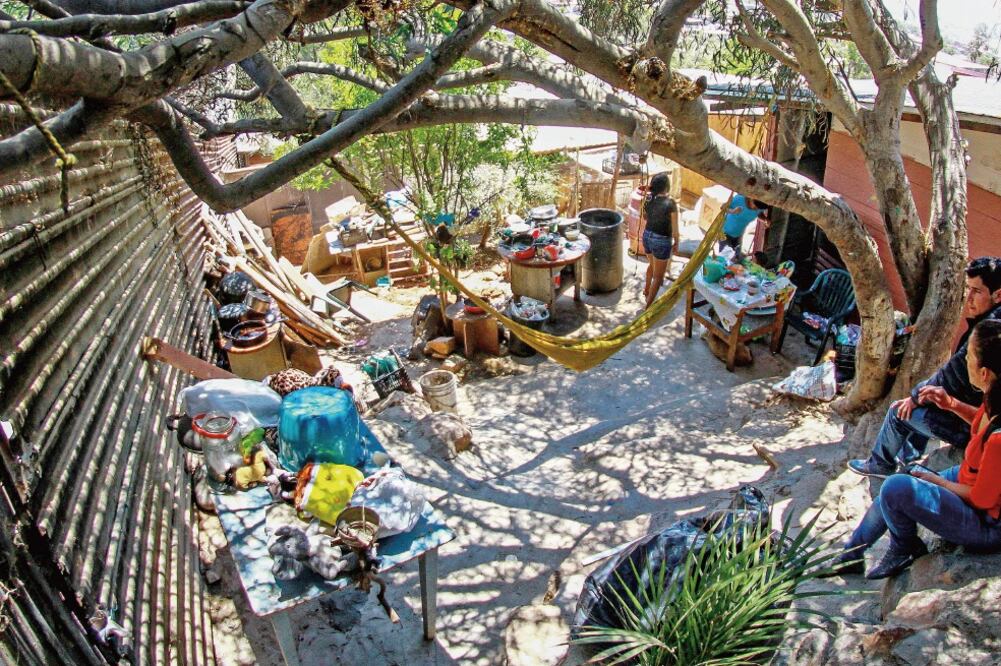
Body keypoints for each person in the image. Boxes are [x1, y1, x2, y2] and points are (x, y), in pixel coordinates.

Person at [833, 319, 1001, 579]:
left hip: (987, 524)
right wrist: (951, 404)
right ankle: (850, 556)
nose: (964, 359)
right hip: (970, 478)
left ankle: (905, 546)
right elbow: (981, 426)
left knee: (895, 487)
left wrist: (936, 481)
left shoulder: (999, 439)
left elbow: (982, 499)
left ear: (984, 373)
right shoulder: (994, 398)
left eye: (969, 355)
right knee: (899, 484)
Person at [849, 257, 1001, 478]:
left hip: (975, 427)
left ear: (998, 294)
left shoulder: (986, 334)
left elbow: (950, 375)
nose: (968, 298)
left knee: (898, 411)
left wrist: (914, 397)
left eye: (977, 291)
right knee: (926, 400)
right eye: (968, 289)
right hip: (978, 417)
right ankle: (908, 457)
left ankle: (879, 465)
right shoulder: (992, 322)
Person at [642, 172, 680, 309]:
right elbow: (675, 228)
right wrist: (677, 242)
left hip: (647, 236)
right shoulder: (671, 203)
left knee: (652, 266)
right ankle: (648, 308)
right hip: (662, 240)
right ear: (667, 187)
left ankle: (646, 290)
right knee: (658, 276)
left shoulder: (649, 200)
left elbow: (645, 217)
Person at [721, 194, 767, 261]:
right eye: (755, 207)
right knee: (724, 258)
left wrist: (765, 220)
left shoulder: (759, 206)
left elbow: (758, 214)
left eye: (758, 209)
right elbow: (722, 207)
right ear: (751, 199)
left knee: (737, 259)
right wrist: (732, 211)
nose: (755, 209)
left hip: (739, 235)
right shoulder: (739, 199)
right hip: (725, 233)